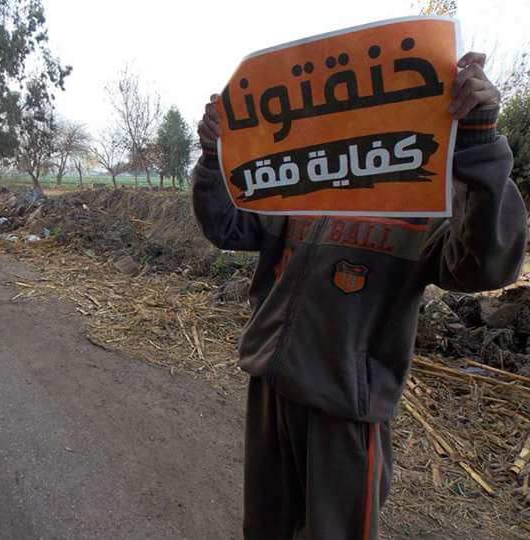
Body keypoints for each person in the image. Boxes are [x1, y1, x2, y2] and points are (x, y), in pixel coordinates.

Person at [193, 52, 527, 540]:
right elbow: (229, 226)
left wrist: (480, 143)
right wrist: (214, 156)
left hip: (344, 414)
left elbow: (485, 266)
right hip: (270, 390)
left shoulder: (425, 194)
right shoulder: (302, 181)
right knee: (264, 530)